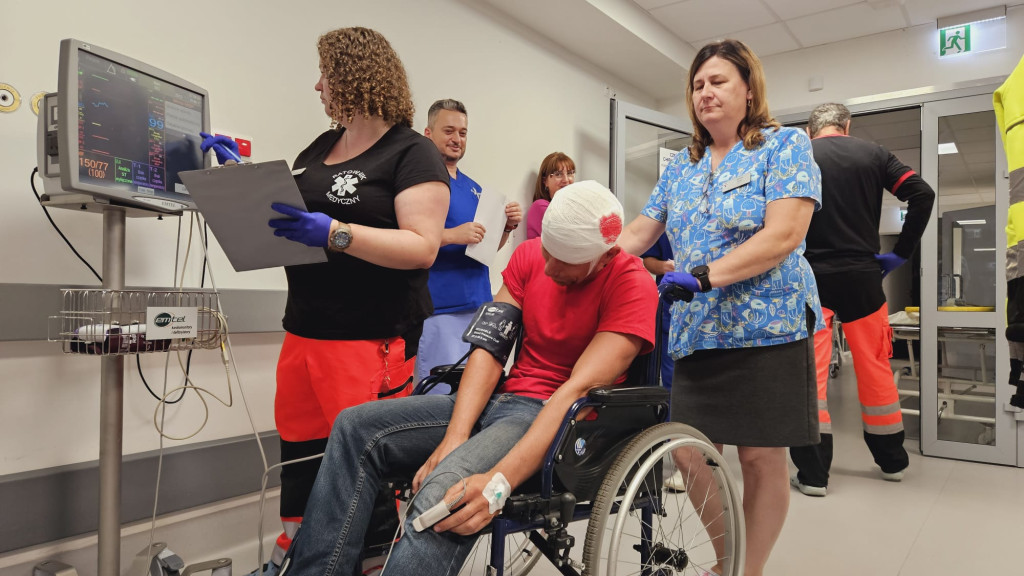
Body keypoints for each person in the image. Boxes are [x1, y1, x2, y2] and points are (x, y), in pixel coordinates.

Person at [278, 181, 657, 576]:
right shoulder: (529, 256)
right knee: (354, 426)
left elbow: (575, 392)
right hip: (502, 402)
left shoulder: (632, 284)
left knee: (443, 497)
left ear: (606, 254)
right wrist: (456, 435)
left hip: (555, 419)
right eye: (547, 249)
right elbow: (490, 348)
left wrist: (499, 483)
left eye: (564, 261)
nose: (548, 266)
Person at [200, 27, 450, 575]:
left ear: (357, 74)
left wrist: (335, 232)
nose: (317, 86)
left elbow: (422, 247)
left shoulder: (413, 152)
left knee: (365, 469)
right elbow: (292, 214)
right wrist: (240, 182)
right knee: (304, 462)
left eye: (326, 73)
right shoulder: (319, 147)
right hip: (306, 332)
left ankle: (372, 563)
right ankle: (305, 558)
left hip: (369, 340)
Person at [617, 39, 822, 576]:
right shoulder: (682, 167)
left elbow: (784, 235)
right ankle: (731, 562)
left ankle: (744, 570)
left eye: (719, 81)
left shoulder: (784, 147)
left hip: (768, 327)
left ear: (748, 90)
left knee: (760, 457)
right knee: (688, 452)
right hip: (698, 330)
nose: (705, 92)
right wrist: (588, 256)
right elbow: (642, 229)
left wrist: (705, 275)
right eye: (698, 84)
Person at [788, 103, 935, 497]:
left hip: (811, 279)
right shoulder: (874, 154)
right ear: (847, 126)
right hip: (864, 279)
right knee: (874, 365)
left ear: (809, 129)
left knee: (811, 376)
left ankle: (814, 476)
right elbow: (922, 194)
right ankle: (892, 462)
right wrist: (901, 253)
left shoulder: (799, 155)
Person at [416, 99, 523, 385]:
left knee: (473, 394)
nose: (457, 139)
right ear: (428, 134)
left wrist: (507, 228)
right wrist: (452, 235)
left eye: (462, 133)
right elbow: (404, 238)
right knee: (436, 397)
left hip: (479, 307)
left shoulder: (476, 190)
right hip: (440, 309)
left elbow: (483, 250)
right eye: (449, 131)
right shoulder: (417, 182)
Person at [525, 152, 575, 239]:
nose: (566, 180)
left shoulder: (572, 207)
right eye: (558, 174)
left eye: (570, 173)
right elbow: (569, 239)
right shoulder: (540, 206)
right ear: (545, 181)